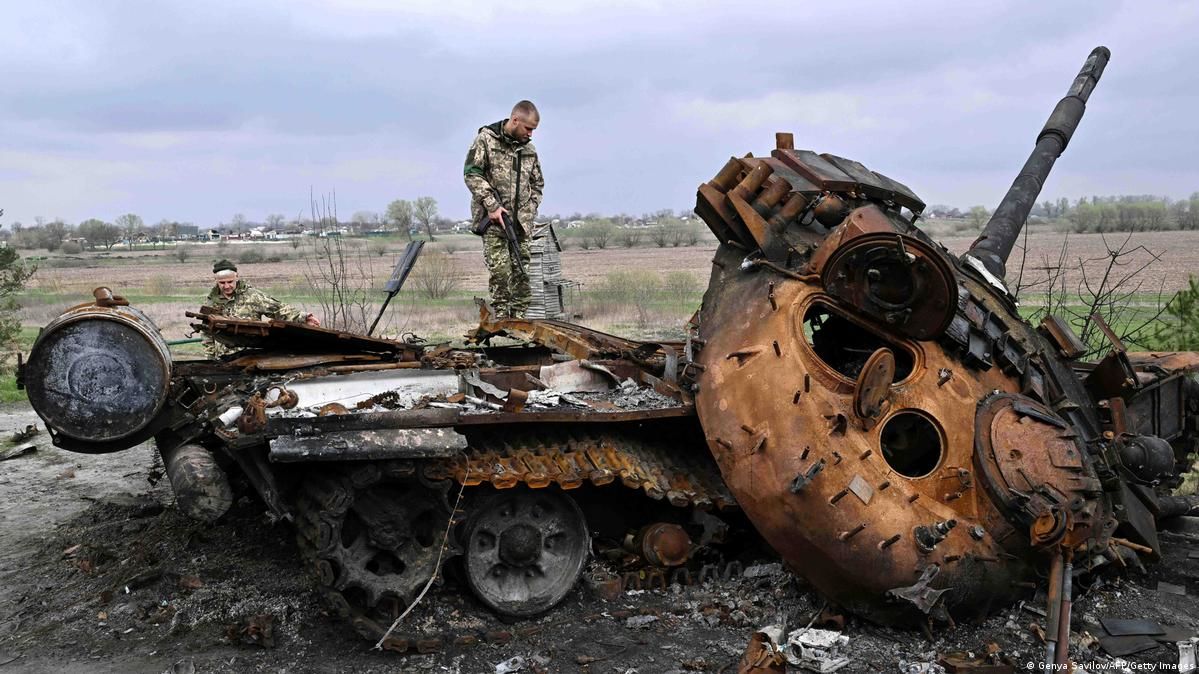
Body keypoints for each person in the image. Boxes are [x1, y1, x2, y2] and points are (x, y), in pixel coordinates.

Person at [464, 100, 545, 319]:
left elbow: (538, 184)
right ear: (515, 120)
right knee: (500, 273)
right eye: (528, 128)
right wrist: (492, 206)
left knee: (521, 271)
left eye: (533, 130)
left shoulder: (529, 149)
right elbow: (472, 173)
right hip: (493, 222)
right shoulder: (486, 140)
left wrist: (530, 209)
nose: (531, 134)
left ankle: (518, 318)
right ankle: (501, 316)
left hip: (521, 224)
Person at [202, 259, 320, 358]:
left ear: (236, 277)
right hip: (223, 358)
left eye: (230, 281)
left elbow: (278, 309)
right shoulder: (211, 301)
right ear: (216, 281)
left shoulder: (252, 296)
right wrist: (211, 357)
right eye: (222, 283)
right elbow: (207, 332)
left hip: (249, 356)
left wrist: (304, 317)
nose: (227, 286)